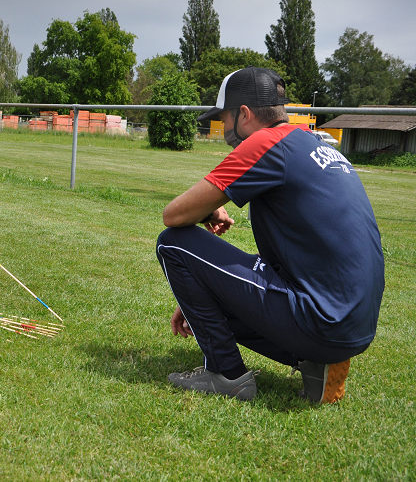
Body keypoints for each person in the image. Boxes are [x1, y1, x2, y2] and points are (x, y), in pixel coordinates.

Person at [156, 67, 384, 403]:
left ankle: (225, 374)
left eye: (224, 117)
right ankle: (319, 362)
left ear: (244, 114)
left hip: (320, 318)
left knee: (172, 243)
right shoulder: (313, 143)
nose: (223, 127)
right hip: (352, 325)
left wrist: (205, 216)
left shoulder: (265, 142)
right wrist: (197, 299)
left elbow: (174, 215)